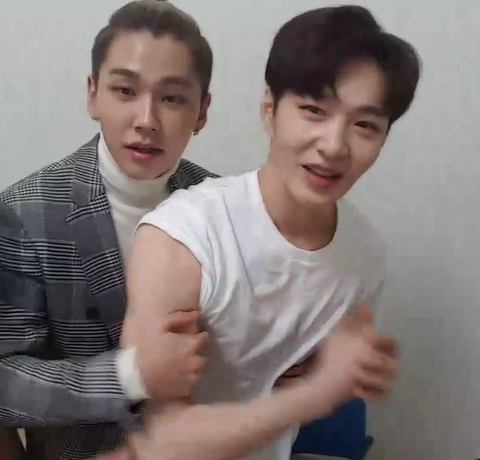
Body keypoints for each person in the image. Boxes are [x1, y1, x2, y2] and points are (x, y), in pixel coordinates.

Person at [119, 4, 421, 460]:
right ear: (269, 110)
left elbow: (308, 380)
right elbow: (166, 441)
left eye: (364, 125)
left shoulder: (365, 255)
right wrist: (317, 393)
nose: (334, 145)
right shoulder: (182, 237)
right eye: (314, 110)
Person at [0, 1, 217, 458]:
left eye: (172, 98)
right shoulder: (25, 211)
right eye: (125, 91)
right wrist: (130, 375)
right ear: (93, 94)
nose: (146, 120)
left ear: (202, 111)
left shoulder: (227, 206)